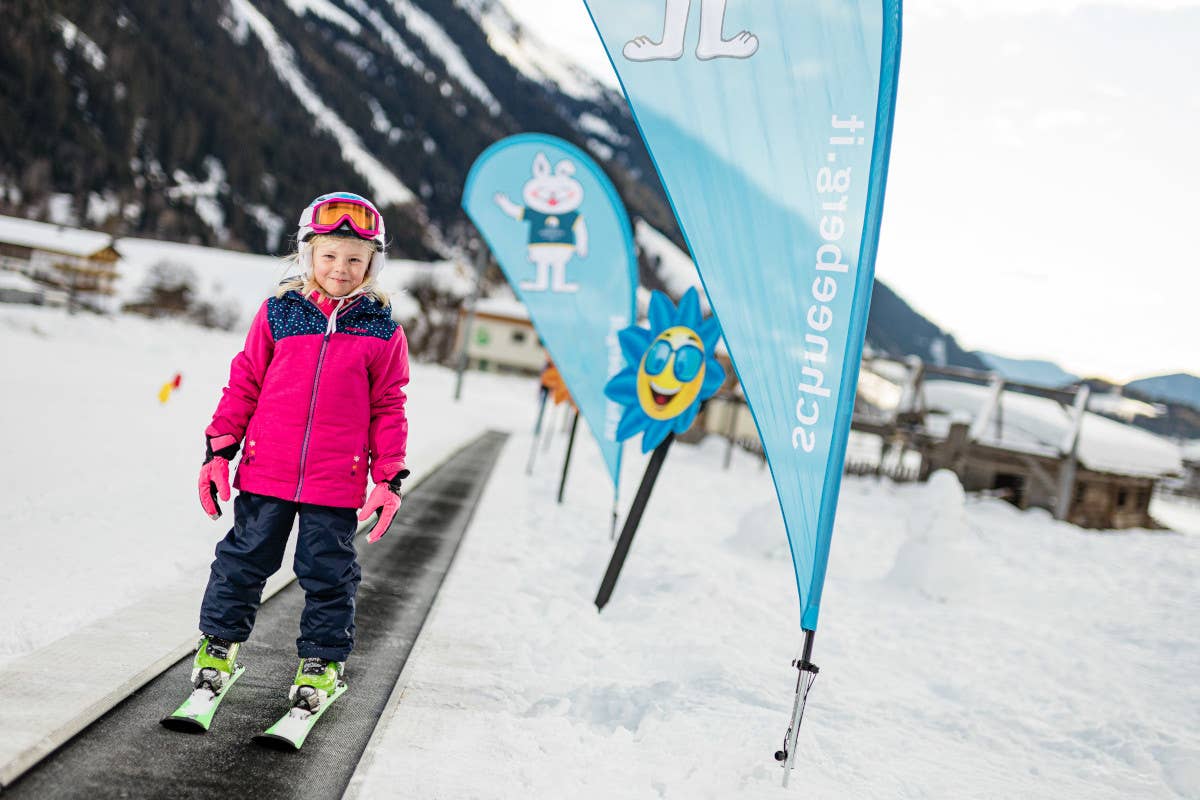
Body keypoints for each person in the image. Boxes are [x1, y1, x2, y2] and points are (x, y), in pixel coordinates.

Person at [191, 191, 410, 713]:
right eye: (330, 255)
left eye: (355, 259)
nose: (341, 268)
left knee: (328, 573)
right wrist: (219, 450)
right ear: (307, 255)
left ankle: (322, 663)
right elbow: (244, 382)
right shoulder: (279, 315)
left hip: (336, 483)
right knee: (242, 562)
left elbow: (389, 407)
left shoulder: (383, 332)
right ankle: (218, 647)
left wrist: (388, 477)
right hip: (265, 472)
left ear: (371, 266)